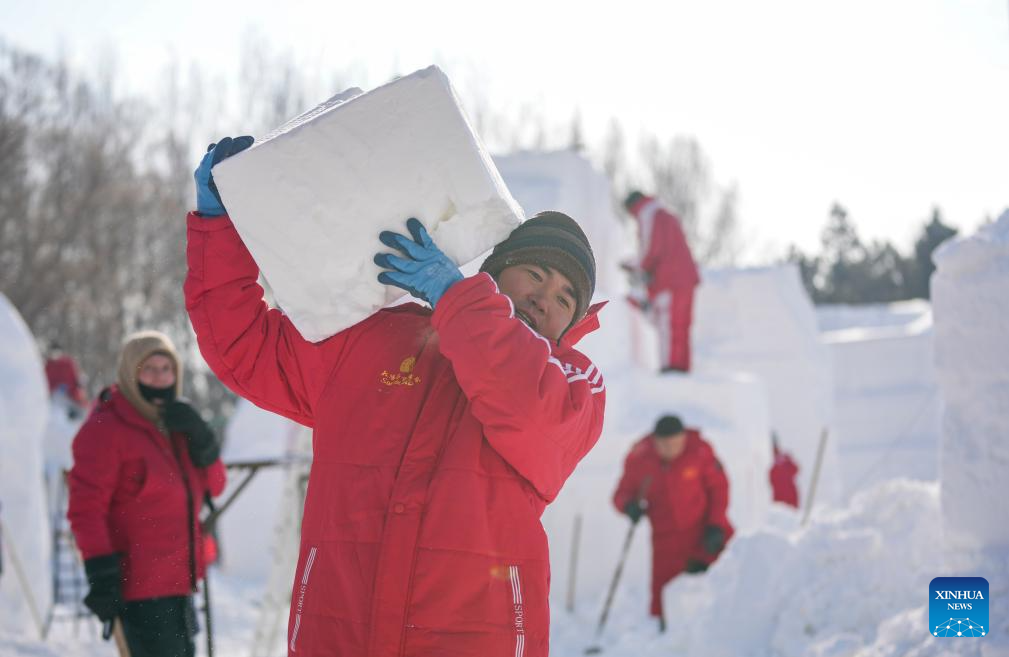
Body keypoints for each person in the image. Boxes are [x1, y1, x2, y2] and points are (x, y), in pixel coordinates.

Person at [184, 136, 606, 657]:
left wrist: (458, 301)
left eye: (565, 298)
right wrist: (219, 227)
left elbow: (526, 409)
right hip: (338, 636)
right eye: (535, 276)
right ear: (496, 273)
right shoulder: (374, 339)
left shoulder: (572, 383)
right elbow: (245, 347)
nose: (544, 301)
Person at [67, 331, 226, 657]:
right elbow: (86, 509)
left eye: (166, 368)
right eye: (148, 369)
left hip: (179, 583)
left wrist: (203, 440)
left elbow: (215, 486)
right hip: (137, 587)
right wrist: (100, 571)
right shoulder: (106, 429)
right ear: (129, 372)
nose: (159, 378)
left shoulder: (177, 425)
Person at [612, 415, 732, 628]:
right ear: (655, 441)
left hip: (704, 534)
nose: (670, 449)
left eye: (676, 443)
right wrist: (629, 506)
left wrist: (716, 524)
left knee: (717, 589)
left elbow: (719, 489)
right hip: (666, 541)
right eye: (664, 444)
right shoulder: (640, 459)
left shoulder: (700, 452)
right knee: (665, 597)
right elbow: (621, 494)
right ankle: (666, 637)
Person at [622, 191, 700, 373]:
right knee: (681, 325)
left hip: (669, 279)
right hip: (685, 277)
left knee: (669, 324)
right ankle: (681, 367)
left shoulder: (647, 213)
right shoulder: (664, 213)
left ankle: (671, 368)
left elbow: (650, 248)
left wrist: (636, 264)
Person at [45, 342, 89, 418]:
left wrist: (78, 384)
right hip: (54, 397)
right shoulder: (48, 366)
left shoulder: (68, 363)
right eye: (53, 352)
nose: (55, 355)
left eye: (57, 352)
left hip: (71, 394)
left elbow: (76, 376)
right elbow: (45, 382)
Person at [769, 434, 800, 508]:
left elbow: (796, 469)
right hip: (778, 500)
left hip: (790, 498)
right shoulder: (767, 461)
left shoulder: (785, 457)